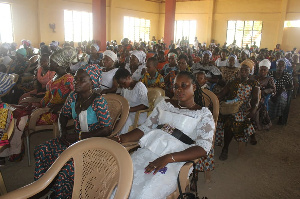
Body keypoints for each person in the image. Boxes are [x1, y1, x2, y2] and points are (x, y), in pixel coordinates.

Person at [111, 71, 215, 198]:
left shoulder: (203, 114)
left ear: (193, 87)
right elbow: (144, 128)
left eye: (184, 85)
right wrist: (121, 138)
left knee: (145, 192)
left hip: (175, 159)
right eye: (176, 86)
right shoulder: (165, 105)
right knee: (119, 183)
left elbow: (203, 148)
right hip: (148, 151)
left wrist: (167, 158)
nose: (179, 89)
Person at [34, 64, 112, 198]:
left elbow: (107, 129)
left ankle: (63, 194)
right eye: (76, 79)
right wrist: (63, 132)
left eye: (82, 80)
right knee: (42, 150)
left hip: (94, 144)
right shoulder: (73, 97)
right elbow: (63, 115)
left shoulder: (99, 102)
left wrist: (79, 136)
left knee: (67, 167)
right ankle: (46, 187)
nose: (76, 82)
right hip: (74, 140)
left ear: (92, 82)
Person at [216, 59, 260, 160]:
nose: (243, 72)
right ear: (239, 70)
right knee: (216, 114)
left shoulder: (254, 83)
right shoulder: (233, 81)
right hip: (229, 106)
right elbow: (222, 94)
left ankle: (225, 148)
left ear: (250, 71)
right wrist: (212, 99)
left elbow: (255, 99)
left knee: (231, 121)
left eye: (246, 70)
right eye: (242, 70)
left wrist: (253, 109)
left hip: (243, 109)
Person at [115, 68, 148, 135]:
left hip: (138, 114)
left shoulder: (140, 86)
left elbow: (144, 105)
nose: (122, 86)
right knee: (115, 119)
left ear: (129, 78)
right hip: (128, 113)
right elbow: (122, 100)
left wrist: (128, 109)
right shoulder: (125, 88)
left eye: (123, 83)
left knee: (124, 121)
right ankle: (113, 137)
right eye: (120, 84)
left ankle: (120, 140)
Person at [253, 59, 275, 132]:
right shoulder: (254, 77)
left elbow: (273, 89)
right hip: (251, 95)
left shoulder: (269, 79)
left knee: (256, 105)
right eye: (261, 69)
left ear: (267, 71)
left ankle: (256, 124)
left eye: (264, 70)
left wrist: (264, 91)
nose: (262, 71)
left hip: (262, 96)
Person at [268, 59, 293, 125]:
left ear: (284, 67)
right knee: (268, 100)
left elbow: (291, 86)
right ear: (276, 66)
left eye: (282, 66)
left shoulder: (286, 75)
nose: (280, 67)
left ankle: (279, 116)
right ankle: (269, 117)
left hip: (282, 92)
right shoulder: (271, 73)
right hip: (271, 91)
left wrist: (284, 88)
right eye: (279, 65)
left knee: (280, 100)